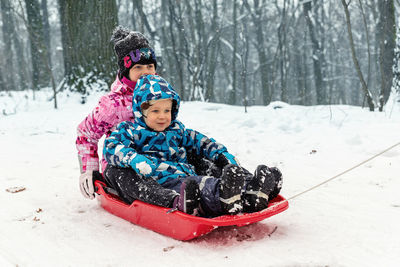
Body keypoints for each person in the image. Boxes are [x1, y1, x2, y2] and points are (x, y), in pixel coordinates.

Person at [103, 74, 283, 216]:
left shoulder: (177, 129)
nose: (162, 116)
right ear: (140, 111)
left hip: (185, 173)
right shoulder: (130, 130)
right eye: (155, 111)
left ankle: (252, 190)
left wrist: (220, 154)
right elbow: (111, 147)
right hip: (162, 182)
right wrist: (134, 159)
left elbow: (200, 141)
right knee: (203, 185)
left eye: (167, 110)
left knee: (213, 170)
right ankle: (225, 197)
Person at [76, 25, 158, 200]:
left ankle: (217, 189)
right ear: (126, 71)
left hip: (158, 162)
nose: (145, 73)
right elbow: (86, 134)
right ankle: (169, 198)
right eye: (138, 68)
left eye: (149, 66)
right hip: (121, 166)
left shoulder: (161, 97)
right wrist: (90, 170)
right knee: (130, 178)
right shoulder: (113, 105)